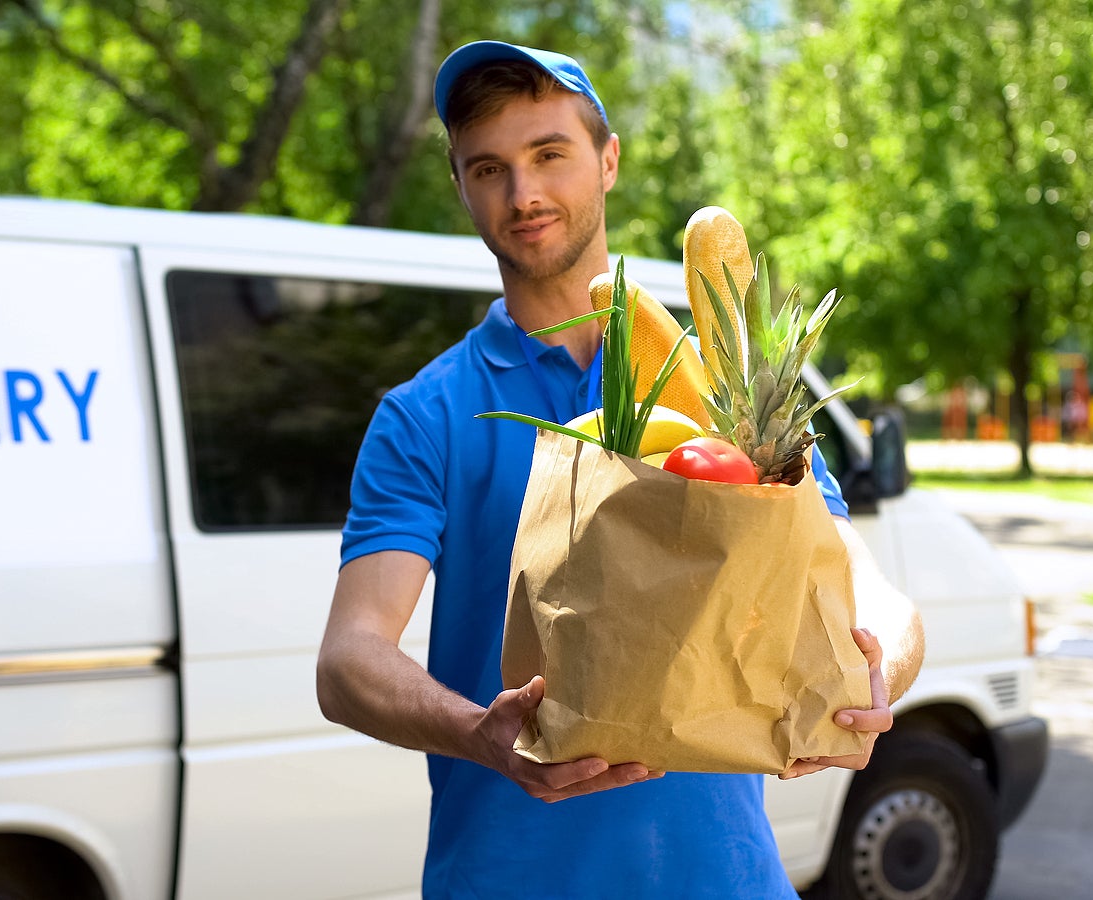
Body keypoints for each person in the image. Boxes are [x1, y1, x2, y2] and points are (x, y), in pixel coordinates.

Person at [316, 40, 925, 898]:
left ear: (608, 160)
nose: (523, 194)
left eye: (549, 155)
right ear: (460, 186)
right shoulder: (429, 415)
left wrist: (879, 674)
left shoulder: (724, 388)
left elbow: (869, 593)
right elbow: (348, 661)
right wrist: (475, 730)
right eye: (487, 168)